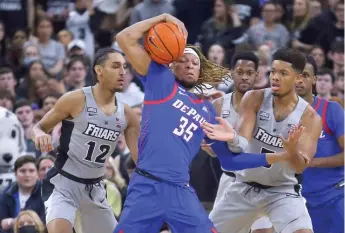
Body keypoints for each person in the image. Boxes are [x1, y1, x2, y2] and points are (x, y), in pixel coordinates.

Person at [115, 14, 303, 233]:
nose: (189, 65)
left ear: (201, 70)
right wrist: (163, 18)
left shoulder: (207, 111)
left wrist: (279, 156)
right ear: (172, 64)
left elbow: (231, 162)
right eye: (183, 60)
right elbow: (125, 38)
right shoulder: (161, 81)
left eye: (194, 62)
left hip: (180, 191)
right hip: (146, 186)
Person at [202, 48, 322, 233]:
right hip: (243, 188)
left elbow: (299, 167)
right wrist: (231, 137)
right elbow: (241, 144)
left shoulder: (310, 117)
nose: (275, 77)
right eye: (273, 71)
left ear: (298, 78)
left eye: (283, 73)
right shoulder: (254, 97)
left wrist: (292, 152)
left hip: (281, 191)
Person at [31, 47, 140, 233]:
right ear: (99, 70)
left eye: (125, 66)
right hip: (63, 184)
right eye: (115, 66)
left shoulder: (127, 114)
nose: (123, 71)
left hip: (96, 189)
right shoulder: (75, 99)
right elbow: (38, 127)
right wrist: (40, 135)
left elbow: (141, 160)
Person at [203, 51, 273, 233]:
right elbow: (213, 149)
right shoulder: (218, 105)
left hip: (259, 181)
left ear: (257, 76)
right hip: (230, 179)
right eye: (240, 72)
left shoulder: (267, 106)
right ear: (231, 73)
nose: (244, 77)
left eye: (249, 73)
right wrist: (210, 148)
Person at [296, 56, 344, 233]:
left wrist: (311, 162)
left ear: (314, 79)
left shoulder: (331, 109)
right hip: (295, 201)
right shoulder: (277, 115)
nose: (299, 80)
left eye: (305, 75)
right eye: (295, 75)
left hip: (333, 197)